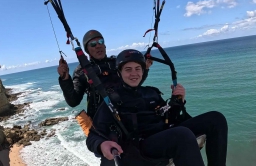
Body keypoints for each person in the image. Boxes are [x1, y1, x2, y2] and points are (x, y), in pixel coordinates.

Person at [86, 49, 228, 166]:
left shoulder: (151, 92)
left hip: (165, 135)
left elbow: (171, 119)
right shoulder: (112, 100)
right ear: (119, 73)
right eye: (128, 69)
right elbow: (93, 136)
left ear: (143, 71)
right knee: (182, 134)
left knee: (216, 119)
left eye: (137, 69)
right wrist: (101, 145)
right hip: (140, 147)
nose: (134, 73)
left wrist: (179, 102)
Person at [58, 30, 153, 118]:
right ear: (87, 50)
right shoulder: (82, 71)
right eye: (93, 44)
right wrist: (65, 78)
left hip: (126, 112)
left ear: (105, 45)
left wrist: (145, 68)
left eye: (100, 42)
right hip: (101, 122)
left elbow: (133, 84)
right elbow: (73, 101)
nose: (98, 46)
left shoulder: (117, 62)